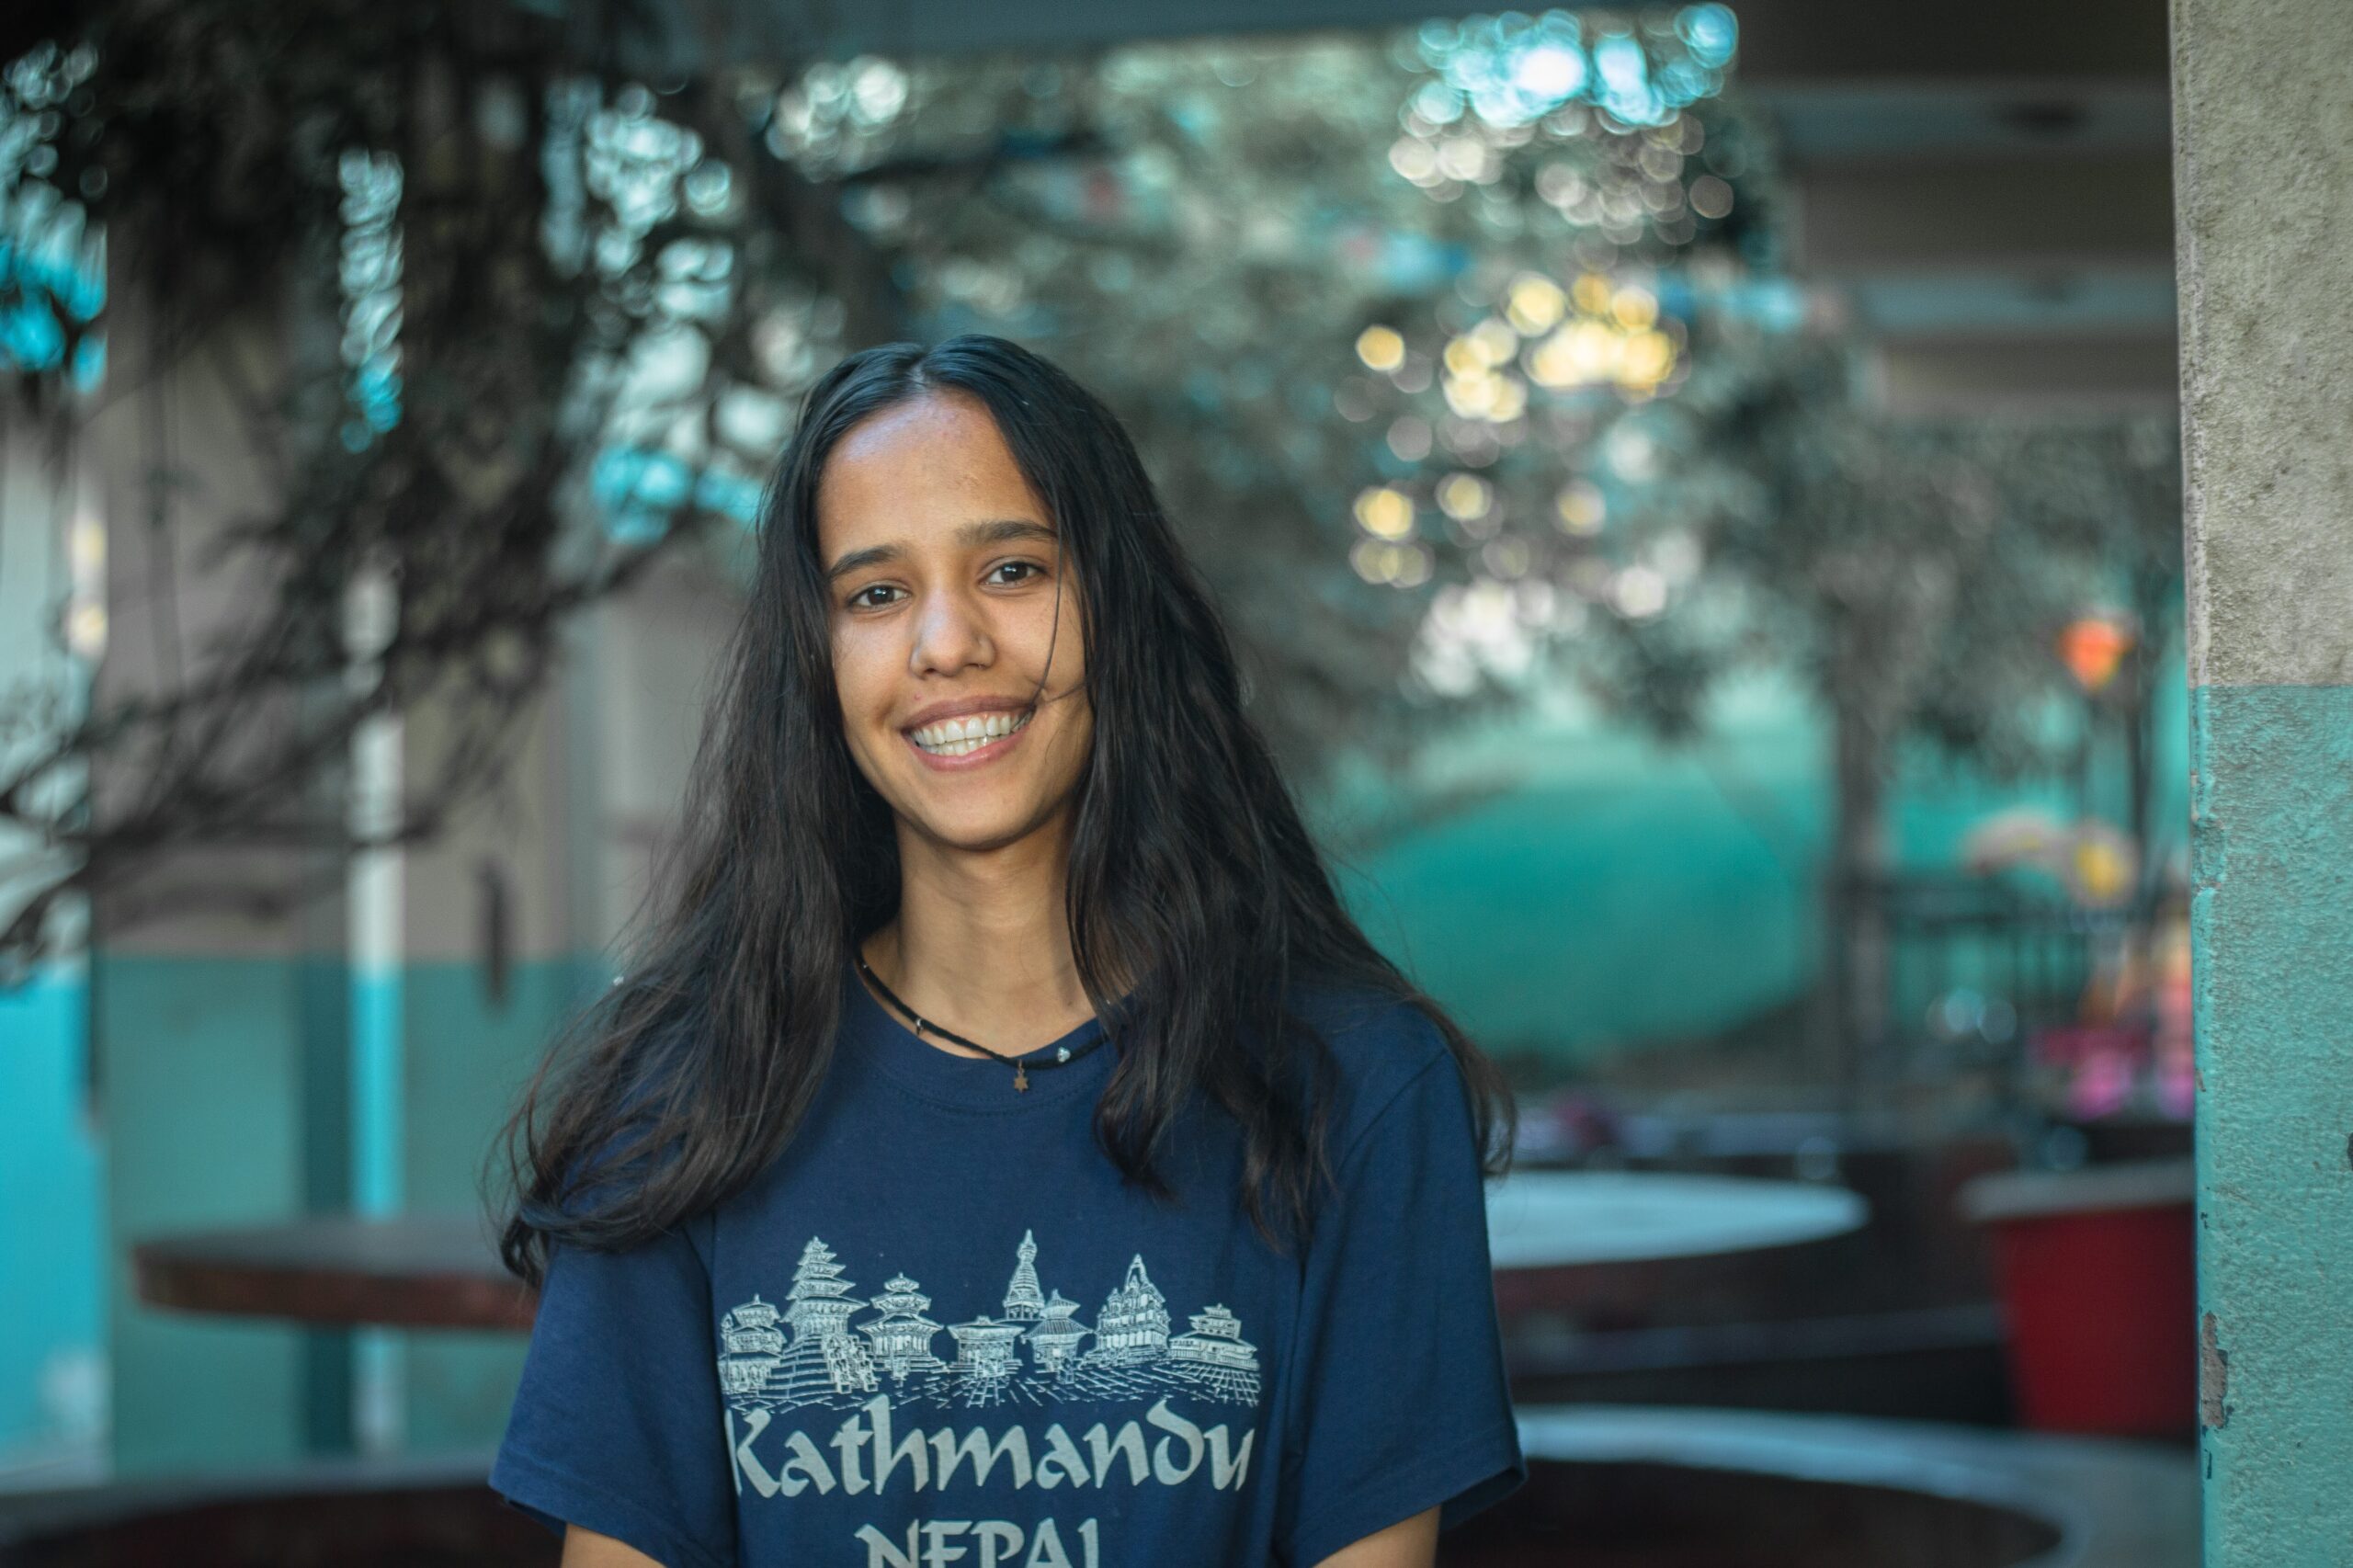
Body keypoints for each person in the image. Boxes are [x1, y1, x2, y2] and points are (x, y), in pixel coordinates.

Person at [486, 333, 1526, 1568]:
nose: (946, 642)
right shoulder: (679, 1102)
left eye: (1014, 568)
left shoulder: (1355, 1090)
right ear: (819, 665)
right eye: (875, 592)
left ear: (1116, 607)